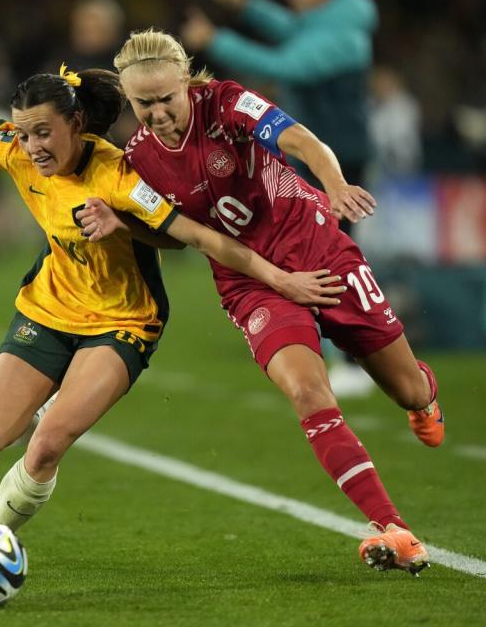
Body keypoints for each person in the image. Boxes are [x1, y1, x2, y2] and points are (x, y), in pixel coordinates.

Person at [0, 66, 344, 535]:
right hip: (50, 308)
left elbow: (194, 238)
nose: (32, 146)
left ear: (76, 124)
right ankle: (51, 407)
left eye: (43, 133)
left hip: (122, 321)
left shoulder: (119, 175)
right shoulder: (15, 153)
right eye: (23, 133)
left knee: (48, 442)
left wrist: (281, 280)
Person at [78, 29, 443, 575]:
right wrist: (124, 224)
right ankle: (391, 526)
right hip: (249, 283)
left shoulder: (225, 103)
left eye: (165, 99)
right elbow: (177, 235)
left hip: (319, 250)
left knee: (405, 387)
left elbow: (300, 140)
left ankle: (424, 394)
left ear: (186, 82)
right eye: (142, 103)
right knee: (306, 390)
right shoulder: (138, 160)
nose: (156, 113)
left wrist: (335, 183)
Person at [181, 0, 379, 396]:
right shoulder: (331, 21)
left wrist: (216, 40)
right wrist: (244, 5)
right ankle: (325, 349)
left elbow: (285, 65)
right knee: (311, 250)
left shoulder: (343, 38)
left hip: (336, 155)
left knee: (331, 252)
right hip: (319, 148)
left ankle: (354, 359)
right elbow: (290, 28)